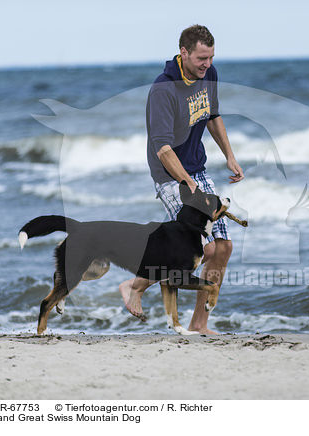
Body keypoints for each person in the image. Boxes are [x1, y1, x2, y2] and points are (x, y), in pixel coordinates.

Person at [119, 25, 243, 334]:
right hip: (169, 175)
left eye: (211, 57)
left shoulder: (208, 75)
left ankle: (199, 324)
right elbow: (162, 149)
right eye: (202, 57)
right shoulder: (163, 90)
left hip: (196, 168)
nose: (207, 64)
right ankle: (134, 284)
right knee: (205, 249)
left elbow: (212, 116)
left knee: (223, 246)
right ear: (184, 53)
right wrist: (188, 183)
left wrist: (229, 155)